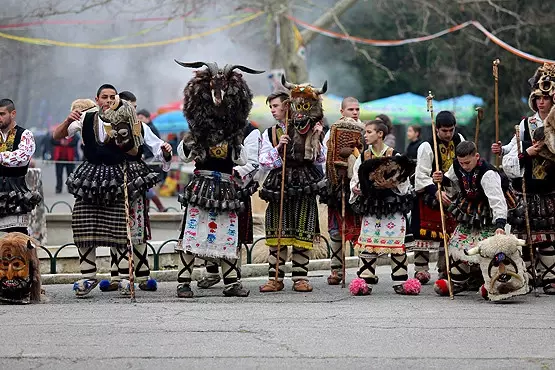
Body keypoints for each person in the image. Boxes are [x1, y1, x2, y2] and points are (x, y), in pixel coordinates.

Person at [53, 85, 172, 297]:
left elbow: (156, 146)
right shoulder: (86, 119)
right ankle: (88, 276)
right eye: (104, 97)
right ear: (96, 99)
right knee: (82, 222)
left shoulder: (132, 122)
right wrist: (68, 120)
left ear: (116, 99)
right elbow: (58, 135)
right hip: (89, 178)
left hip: (119, 178)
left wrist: (166, 151)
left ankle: (125, 278)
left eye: (111, 97)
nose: (108, 101)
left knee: (119, 227)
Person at [258, 82, 326, 293]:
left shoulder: (309, 129)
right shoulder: (269, 133)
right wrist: (279, 147)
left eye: (276, 106)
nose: (273, 110)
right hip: (279, 184)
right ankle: (275, 277)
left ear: (288, 106)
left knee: (302, 230)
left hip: (304, 182)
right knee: (277, 231)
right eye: (271, 107)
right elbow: (264, 162)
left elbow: (320, 159)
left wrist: (317, 137)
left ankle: (300, 278)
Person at [432, 141, 512, 296]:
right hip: (468, 211)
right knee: (457, 245)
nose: (464, 166)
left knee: (488, 249)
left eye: (467, 162)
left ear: (477, 156)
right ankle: (456, 282)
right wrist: (441, 179)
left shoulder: (488, 173)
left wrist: (500, 225)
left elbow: (497, 201)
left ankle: (493, 282)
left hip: (487, 213)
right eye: (461, 162)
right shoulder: (457, 165)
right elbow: (452, 181)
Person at [502, 63, 555, 294]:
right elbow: (510, 158)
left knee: (550, 237)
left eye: (545, 98)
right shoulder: (525, 125)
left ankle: (550, 277)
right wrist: (526, 153)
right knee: (525, 236)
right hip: (527, 189)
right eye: (537, 98)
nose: (541, 102)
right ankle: (527, 275)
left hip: (551, 187)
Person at [350, 120, 417, 294]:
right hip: (371, 205)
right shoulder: (363, 156)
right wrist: (356, 188)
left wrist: (391, 184)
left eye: (369, 132)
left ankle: (401, 282)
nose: (365, 135)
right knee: (367, 244)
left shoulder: (394, 155)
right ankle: (364, 282)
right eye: (365, 132)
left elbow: (404, 184)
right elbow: (355, 179)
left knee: (396, 245)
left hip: (392, 205)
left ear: (380, 134)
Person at [196, 120, 262, 289]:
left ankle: (233, 273)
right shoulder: (207, 126)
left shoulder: (250, 131)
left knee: (233, 232)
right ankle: (211, 271)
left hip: (236, 188)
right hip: (211, 187)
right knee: (208, 228)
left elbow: (253, 162)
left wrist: (233, 174)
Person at [411, 111, 463, 284]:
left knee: (447, 233)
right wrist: (435, 189)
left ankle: (444, 268)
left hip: (452, 192)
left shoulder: (459, 140)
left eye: (451, 130)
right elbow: (421, 176)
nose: (449, 134)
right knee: (424, 232)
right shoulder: (426, 146)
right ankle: (421, 269)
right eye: (444, 131)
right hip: (429, 193)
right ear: (437, 129)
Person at [322, 97, 364, 285]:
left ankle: (365, 270)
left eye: (357, 109)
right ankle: (336, 269)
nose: (354, 113)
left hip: (358, 188)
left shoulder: (364, 131)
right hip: (338, 187)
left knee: (362, 230)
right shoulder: (332, 132)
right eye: (350, 109)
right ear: (342, 112)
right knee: (336, 231)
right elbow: (327, 157)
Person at [0, 98, 41, 235]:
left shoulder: (25, 134)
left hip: (15, 190)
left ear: (13, 114)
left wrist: (1, 157)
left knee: (17, 236)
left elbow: (21, 158)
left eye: (2, 114)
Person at [51, 99, 92, 194]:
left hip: (71, 157)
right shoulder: (69, 126)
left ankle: (70, 188)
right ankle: (59, 188)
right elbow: (54, 138)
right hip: (60, 157)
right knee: (59, 174)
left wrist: (68, 144)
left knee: (70, 173)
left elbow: (76, 142)